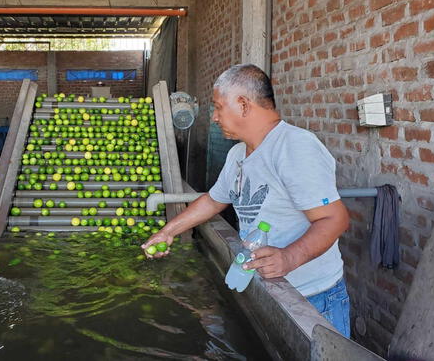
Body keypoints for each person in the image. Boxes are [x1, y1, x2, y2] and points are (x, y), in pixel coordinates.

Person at [141, 64, 351, 337]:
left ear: (242, 104)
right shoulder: (238, 154)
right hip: (269, 289)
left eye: (218, 107)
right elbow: (214, 201)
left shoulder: (294, 147)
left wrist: (289, 257)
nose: (215, 117)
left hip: (313, 297)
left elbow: (335, 219)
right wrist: (167, 232)